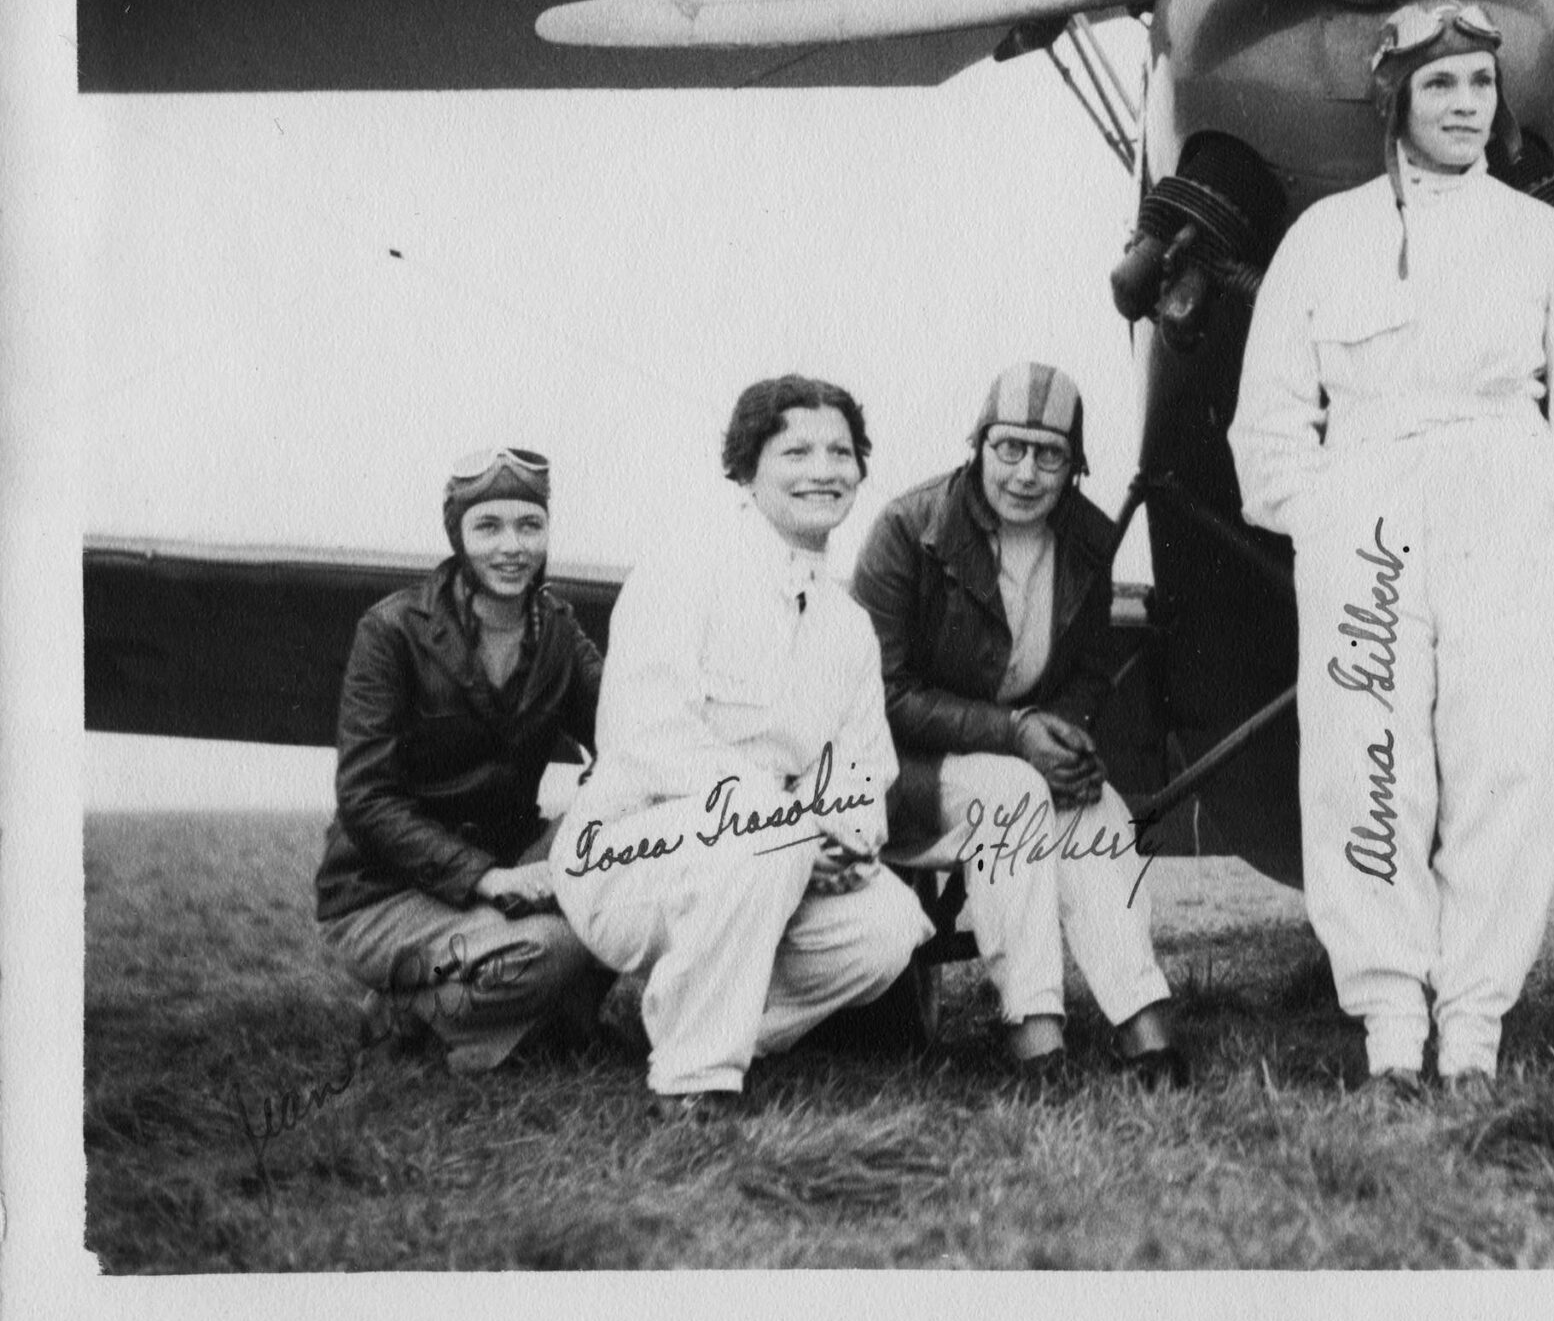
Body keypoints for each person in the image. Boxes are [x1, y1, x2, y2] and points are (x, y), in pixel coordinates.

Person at [1231, 0, 1554, 1097]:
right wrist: (1320, 513)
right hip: (1366, 502)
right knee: (1367, 759)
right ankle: (1387, 1021)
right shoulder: (1326, 235)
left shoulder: (1540, 236)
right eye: (1439, 84)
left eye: (1479, 85)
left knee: (1504, 761)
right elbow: (1268, 416)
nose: (1464, 104)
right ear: (1396, 98)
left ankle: (1471, 1027)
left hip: (1507, 497)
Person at [554, 376, 934, 1112]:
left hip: (776, 859)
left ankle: (693, 1020)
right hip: (625, 859)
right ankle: (693, 1082)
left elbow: (862, 769)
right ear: (746, 467)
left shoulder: (847, 624)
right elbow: (645, 734)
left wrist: (844, 837)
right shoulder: (685, 569)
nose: (823, 469)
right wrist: (787, 821)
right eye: (795, 449)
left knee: (888, 925)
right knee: (769, 841)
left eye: (841, 451)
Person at [853, 362, 1186, 1085]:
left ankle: (1145, 1024)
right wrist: (1020, 734)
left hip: (1017, 759)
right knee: (1012, 791)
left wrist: (1064, 738)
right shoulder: (908, 530)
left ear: (1074, 465)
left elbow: (1090, 670)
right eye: (1010, 448)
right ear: (978, 444)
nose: (1027, 472)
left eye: (1050, 454)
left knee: (1089, 802)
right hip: (894, 772)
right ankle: (1034, 1031)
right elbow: (880, 693)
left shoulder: (1091, 540)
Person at [314, 446, 611, 1072]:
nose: (512, 546)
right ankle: (411, 1012)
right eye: (489, 526)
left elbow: (631, 736)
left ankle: (509, 1026)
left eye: (529, 525)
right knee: (557, 949)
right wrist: (488, 880)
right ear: (458, 534)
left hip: (506, 873)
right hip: (380, 892)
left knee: (629, 872)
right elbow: (365, 799)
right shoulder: (392, 630)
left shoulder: (557, 629)